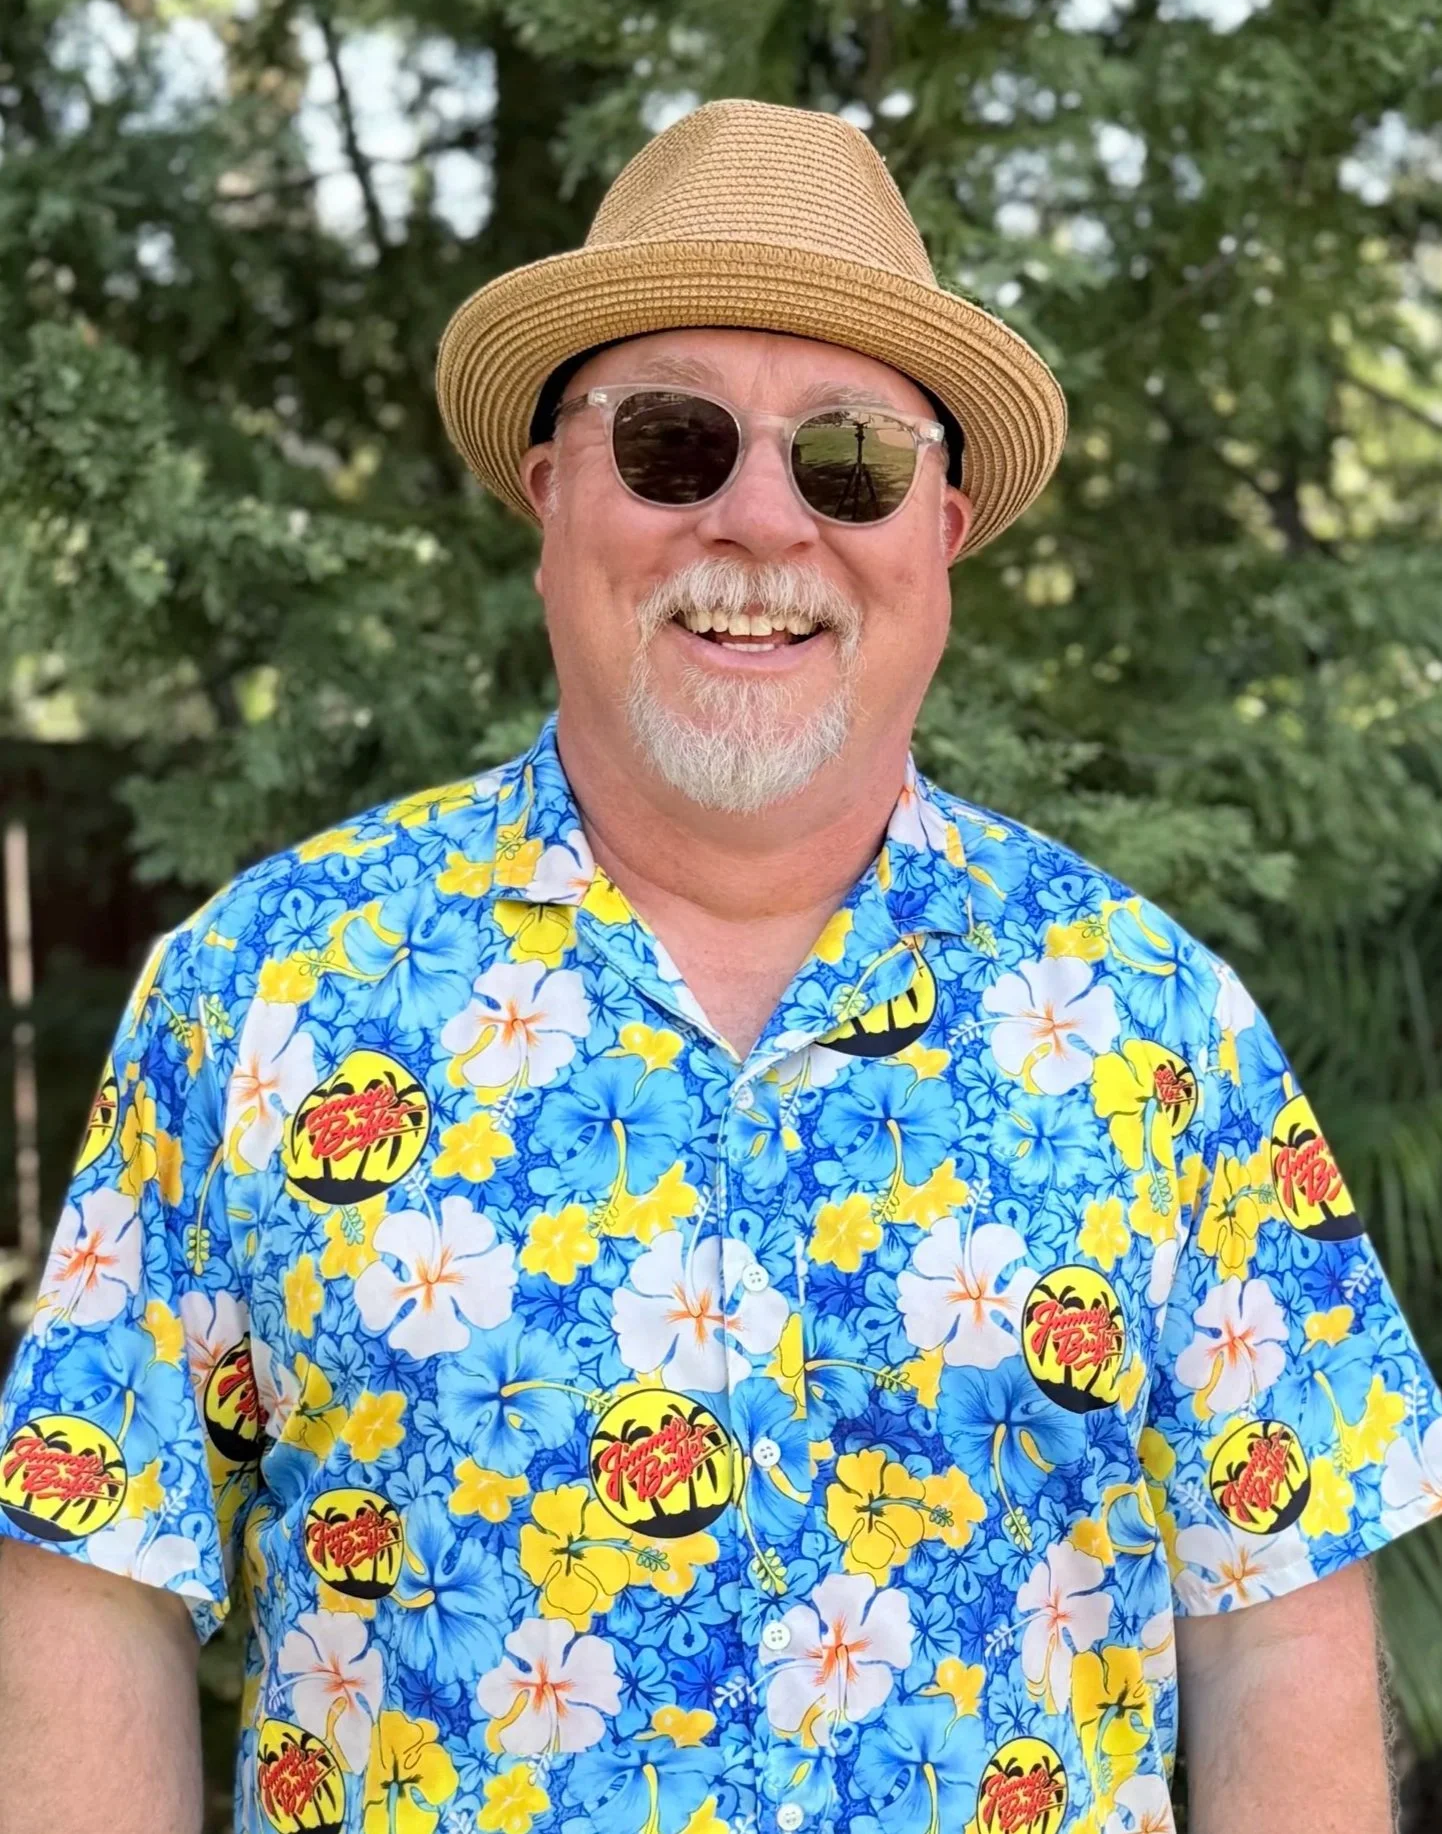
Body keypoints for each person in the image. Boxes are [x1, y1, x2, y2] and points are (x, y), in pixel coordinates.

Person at [0, 99, 1437, 1834]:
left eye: (849, 458)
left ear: (937, 531)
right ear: (552, 499)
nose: (761, 520)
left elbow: (1275, 1637)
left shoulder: (1159, 1031)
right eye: (672, 442)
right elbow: (91, 1584)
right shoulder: (261, 998)